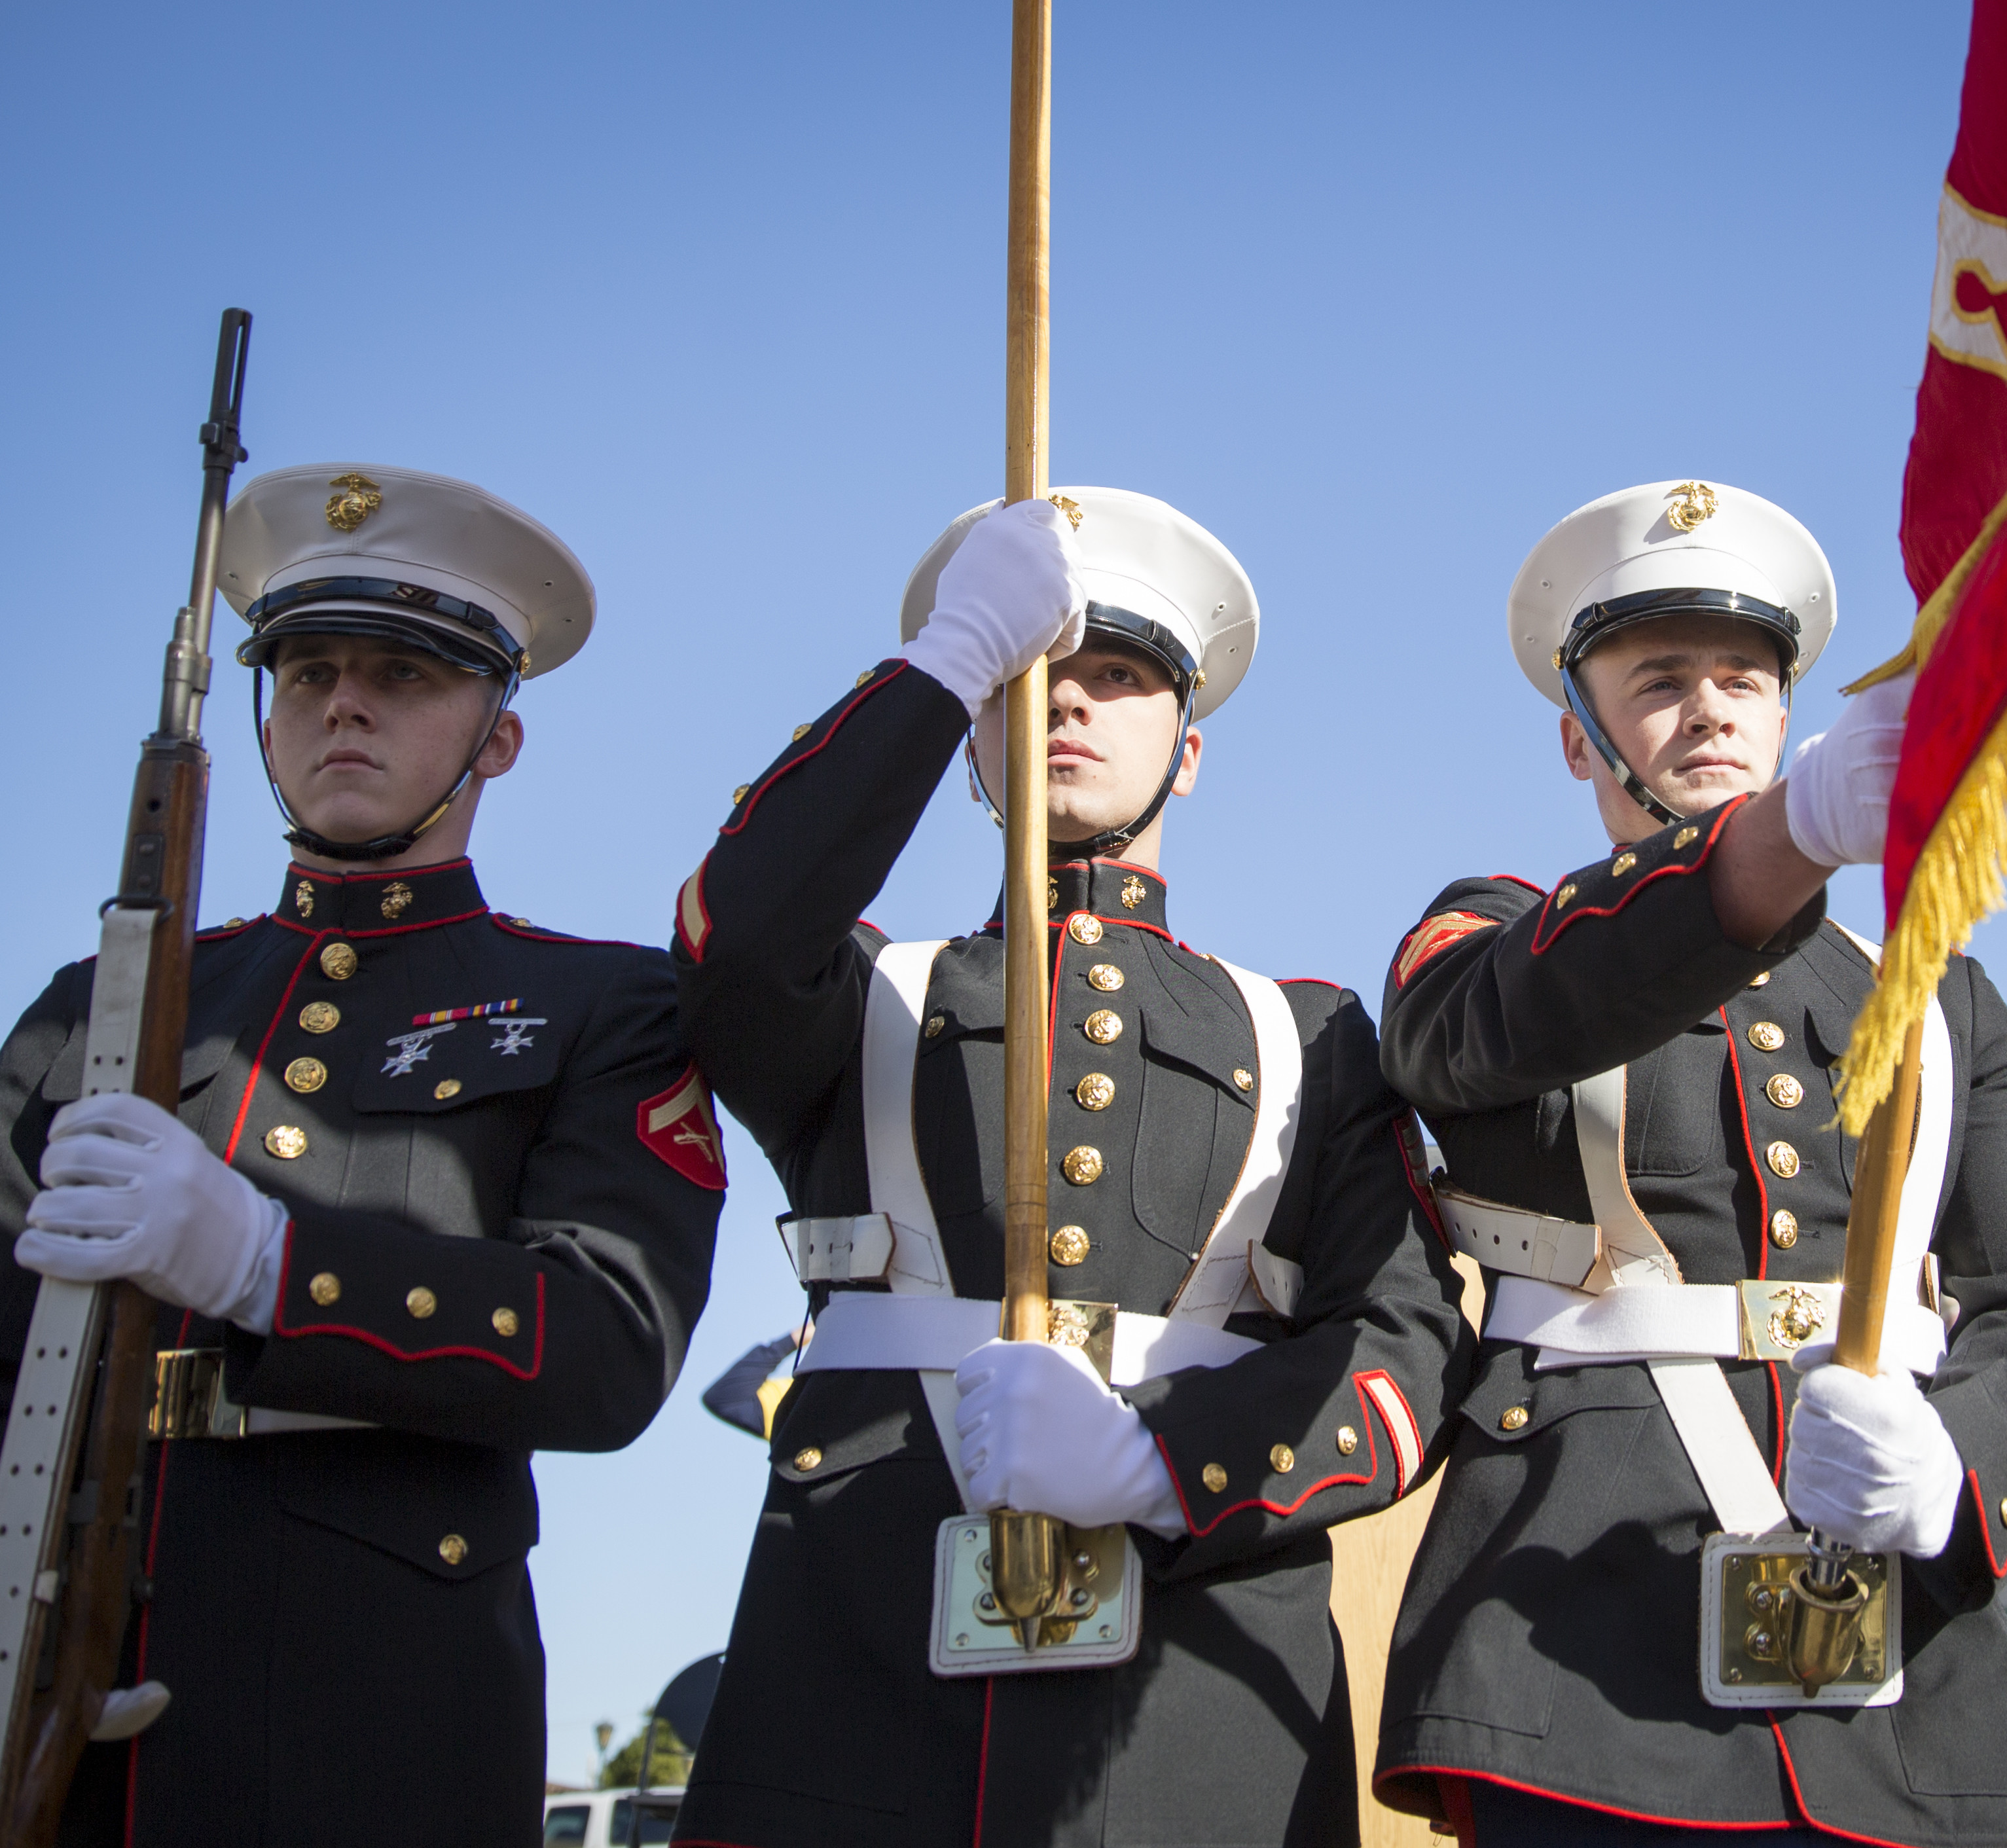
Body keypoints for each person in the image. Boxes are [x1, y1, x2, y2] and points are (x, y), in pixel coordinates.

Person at [668, 488, 1472, 1847]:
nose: (1066, 706)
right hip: (854, 1691)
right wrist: (936, 663)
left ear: (1191, 749)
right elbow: (730, 940)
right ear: (975, 730)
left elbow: (1404, 1349)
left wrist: (1163, 1464)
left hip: (1200, 1714)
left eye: (1117, 676)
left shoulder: (1309, 1032)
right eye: (1025, 676)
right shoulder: (863, 996)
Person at [1370, 479, 2007, 1843]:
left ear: (1785, 715)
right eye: (1656, 679)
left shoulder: (1936, 989)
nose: (1709, 707)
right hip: (1580, 1658)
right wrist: (1777, 840)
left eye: (1743, 678)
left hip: (1913, 1666)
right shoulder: (1486, 935)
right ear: (1576, 739)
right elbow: (1474, 1036)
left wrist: (1956, 1466)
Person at [0, 463, 726, 1845]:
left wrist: (275, 1265)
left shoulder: (599, 1006)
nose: (343, 702)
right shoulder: (98, 1002)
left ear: (495, 737)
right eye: (307, 671)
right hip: (67, 1669)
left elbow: (605, 1344)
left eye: (403, 672)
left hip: (387, 1703)